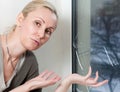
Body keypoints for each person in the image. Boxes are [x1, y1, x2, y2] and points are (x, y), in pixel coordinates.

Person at [0, 0, 108, 92]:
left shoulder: (30, 62)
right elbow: (27, 87)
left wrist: (69, 80)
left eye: (48, 31)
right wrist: (27, 87)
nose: (41, 35)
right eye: (37, 23)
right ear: (20, 19)